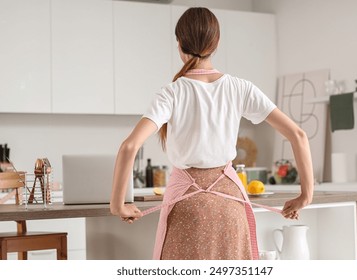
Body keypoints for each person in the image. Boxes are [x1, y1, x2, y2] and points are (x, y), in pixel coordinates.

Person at [110, 7, 314, 260]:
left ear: (179, 44)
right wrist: (305, 195)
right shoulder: (240, 88)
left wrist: (118, 204)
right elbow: (298, 135)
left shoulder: (172, 93)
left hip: (187, 206)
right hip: (230, 204)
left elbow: (129, 147)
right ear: (216, 44)